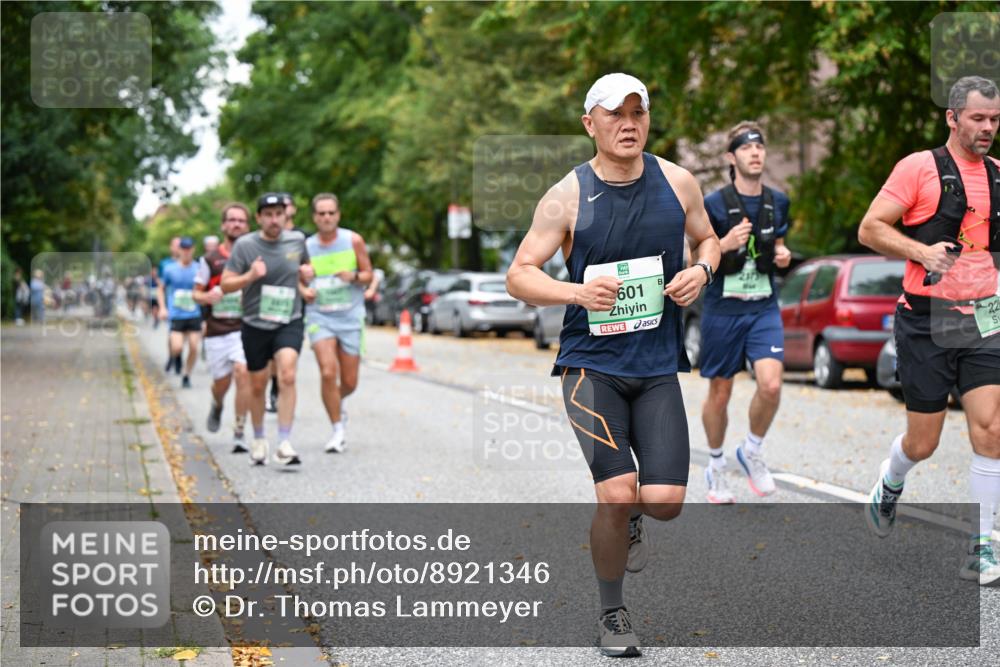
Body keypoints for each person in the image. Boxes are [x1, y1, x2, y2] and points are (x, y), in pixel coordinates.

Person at [506, 73, 720, 657]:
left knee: (665, 502)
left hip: (656, 366)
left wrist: (701, 271)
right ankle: (612, 612)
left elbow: (708, 240)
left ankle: (632, 520)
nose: (628, 124)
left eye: (637, 112)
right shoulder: (566, 196)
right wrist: (575, 292)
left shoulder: (677, 181)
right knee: (617, 492)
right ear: (589, 123)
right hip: (590, 368)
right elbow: (519, 275)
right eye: (614, 114)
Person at [857, 75, 1000, 585]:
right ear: (952, 118)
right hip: (926, 321)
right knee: (924, 442)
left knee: (991, 429)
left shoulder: (999, 175)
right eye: (978, 118)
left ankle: (983, 545)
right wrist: (921, 251)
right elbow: (870, 228)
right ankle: (891, 480)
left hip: (984, 319)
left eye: (995, 119)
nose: (987, 128)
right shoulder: (919, 168)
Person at [698, 121, 792, 503]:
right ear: (730, 157)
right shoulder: (713, 204)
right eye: (746, 147)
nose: (755, 153)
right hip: (723, 309)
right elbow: (695, 256)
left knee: (771, 385)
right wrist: (724, 243)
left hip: (763, 307)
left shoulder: (778, 201)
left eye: (760, 147)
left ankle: (751, 450)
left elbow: (779, 245)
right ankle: (716, 465)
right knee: (720, 393)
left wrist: (783, 254)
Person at [221, 193, 314, 466]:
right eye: (268, 215)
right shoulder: (245, 246)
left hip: (289, 319)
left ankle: (284, 442)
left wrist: (307, 278)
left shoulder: (297, 241)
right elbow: (225, 284)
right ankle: (259, 438)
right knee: (258, 384)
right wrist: (250, 276)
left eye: (279, 214)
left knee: (287, 374)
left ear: (286, 216)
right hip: (255, 323)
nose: (274, 220)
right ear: (259, 218)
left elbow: (304, 271)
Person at [302, 193, 374, 453]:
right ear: (314, 217)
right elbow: (298, 281)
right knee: (327, 372)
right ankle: (337, 430)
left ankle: (336, 401)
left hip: (350, 317)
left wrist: (352, 276)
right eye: (321, 213)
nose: (326, 218)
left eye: (331, 213)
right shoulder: (306, 246)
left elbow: (368, 275)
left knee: (350, 382)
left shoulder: (353, 240)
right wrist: (304, 289)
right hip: (320, 317)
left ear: (338, 215)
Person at [194, 203, 252, 453]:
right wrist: (207, 297)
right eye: (232, 220)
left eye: (241, 220)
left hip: (244, 328)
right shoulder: (210, 260)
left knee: (242, 371)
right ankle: (217, 404)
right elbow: (196, 294)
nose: (236, 224)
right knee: (222, 384)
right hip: (217, 330)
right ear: (223, 225)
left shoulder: (254, 257)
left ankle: (239, 431)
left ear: (247, 226)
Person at [157, 237, 202, 388]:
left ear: (193, 249)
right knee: (177, 347)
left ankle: (186, 375)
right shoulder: (170, 269)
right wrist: (162, 308)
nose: (186, 252)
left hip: (194, 313)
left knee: (194, 347)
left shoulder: (199, 268)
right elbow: (161, 289)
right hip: (176, 314)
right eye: (184, 249)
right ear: (179, 250)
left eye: (189, 249)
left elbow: (205, 289)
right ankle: (174, 357)